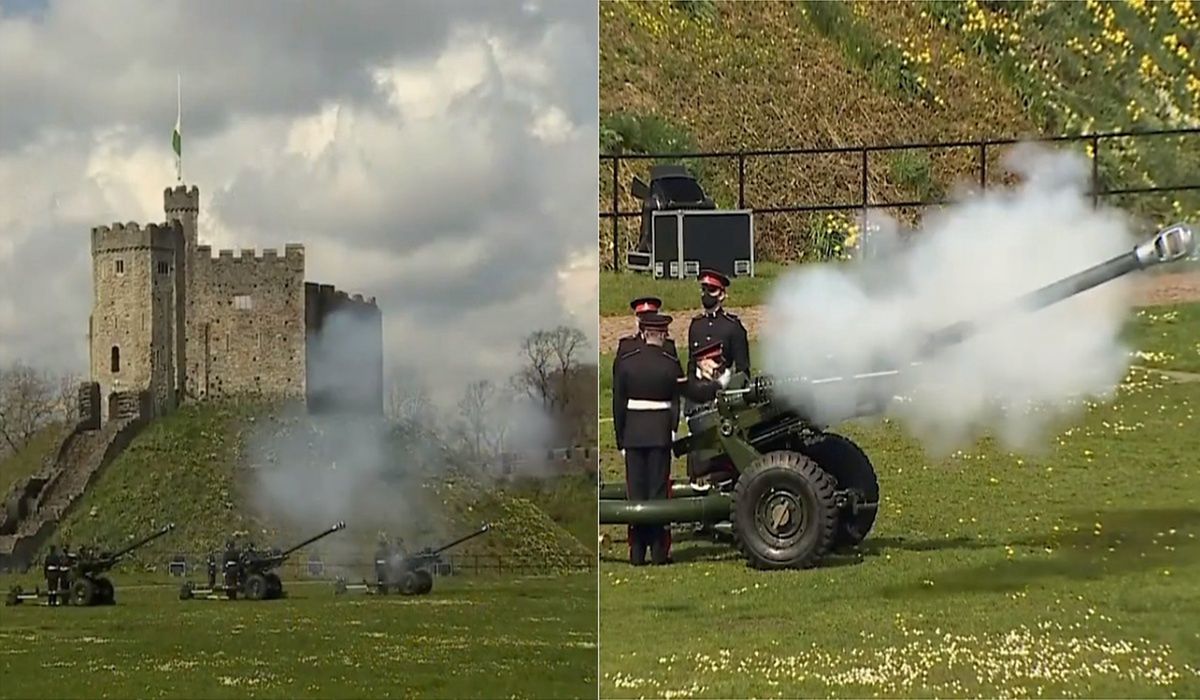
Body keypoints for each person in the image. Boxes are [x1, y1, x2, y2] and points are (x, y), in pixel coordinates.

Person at [613, 313, 722, 566]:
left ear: (642, 332)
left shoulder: (626, 362)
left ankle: (637, 552)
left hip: (633, 434)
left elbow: (618, 404)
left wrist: (621, 439)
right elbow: (691, 392)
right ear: (661, 334)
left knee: (636, 493)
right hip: (660, 433)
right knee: (658, 493)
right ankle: (659, 551)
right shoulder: (668, 362)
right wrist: (716, 385)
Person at [686, 269, 750, 486]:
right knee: (697, 454)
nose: (706, 294)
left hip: (720, 396)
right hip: (698, 399)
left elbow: (743, 369)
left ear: (722, 294)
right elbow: (690, 365)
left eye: (711, 290)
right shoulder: (695, 326)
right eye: (703, 289)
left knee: (720, 453)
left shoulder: (732, 327)